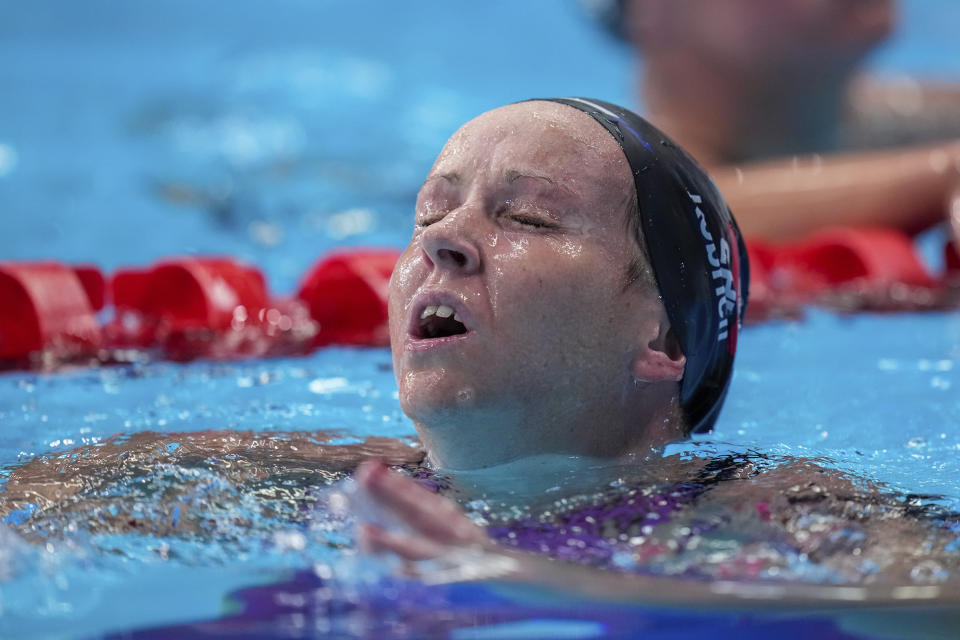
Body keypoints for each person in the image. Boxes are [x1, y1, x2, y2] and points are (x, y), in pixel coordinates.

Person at [3, 100, 958, 608]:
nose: (440, 244)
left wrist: (561, 585)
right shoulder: (275, 480)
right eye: (429, 213)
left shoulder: (770, 511)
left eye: (528, 216)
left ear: (661, 338)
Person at [590, 0, 960, 243]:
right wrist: (942, 176)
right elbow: (671, 220)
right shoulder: (617, 198)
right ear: (650, 10)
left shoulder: (910, 117)